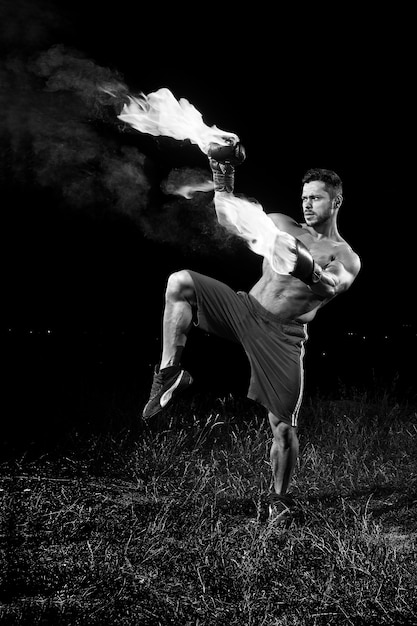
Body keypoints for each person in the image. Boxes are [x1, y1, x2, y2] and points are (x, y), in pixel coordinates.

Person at [142, 142, 361, 522]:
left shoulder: (344, 254)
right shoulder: (280, 224)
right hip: (245, 310)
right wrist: (222, 175)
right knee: (180, 282)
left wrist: (305, 266)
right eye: (304, 197)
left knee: (283, 426)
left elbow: (329, 288)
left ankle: (279, 499)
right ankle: (170, 372)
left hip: (282, 336)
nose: (307, 204)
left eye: (316, 198)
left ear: (336, 202)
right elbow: (229, 217)